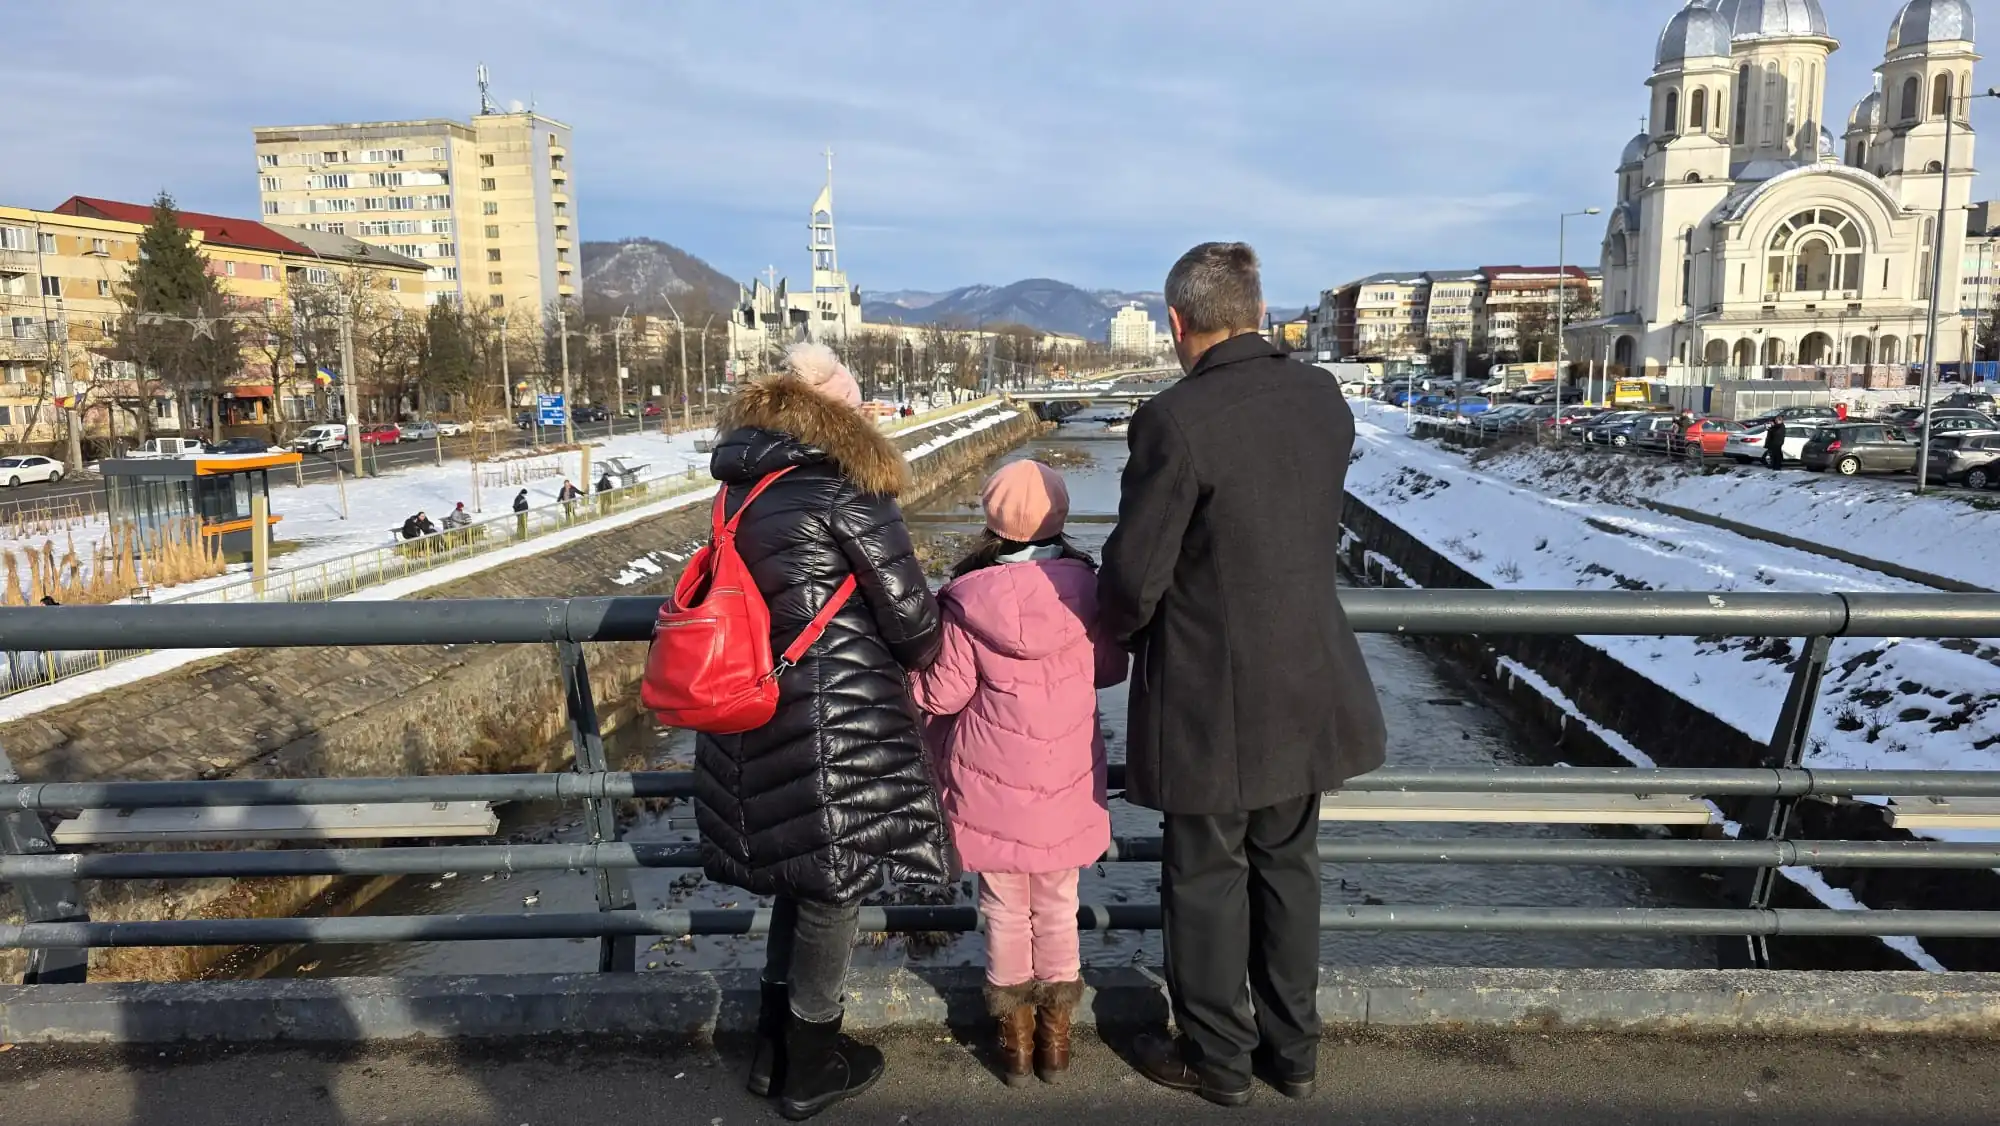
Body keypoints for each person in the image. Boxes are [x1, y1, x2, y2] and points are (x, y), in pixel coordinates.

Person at [1098, 242, 1386, 1106]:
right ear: (1258, 312)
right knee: (1289, 867)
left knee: (1205, 876)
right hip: (1310, 676)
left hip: (1209, 694)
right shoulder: (1321, 397)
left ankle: (1219, 1059)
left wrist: (1119, 628)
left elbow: (1133, 579)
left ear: (1177, 322)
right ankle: (1293, 1053)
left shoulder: (1176, 419)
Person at [694, 340, 951, 1120]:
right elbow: (915, 627)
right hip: (832, 719)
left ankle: (771, 1050)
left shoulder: (740, 487)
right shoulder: (846, 487)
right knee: (833, 884)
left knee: (794, 876)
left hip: (751, 704)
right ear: (835, 412)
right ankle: (812, 1064)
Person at [909, 460, 1126, 1088]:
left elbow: (943, 694)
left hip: (989, 781)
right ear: (1062, 517)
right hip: (1066, 779)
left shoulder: (967, 600)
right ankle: (1056, 1045)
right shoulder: (1089, 592)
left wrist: (908, 676)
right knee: (1058, 903)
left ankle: (1014, 1045)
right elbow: (1110, 669)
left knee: (1004, 908)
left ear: (991, 520)